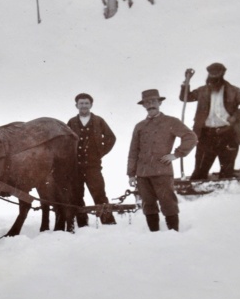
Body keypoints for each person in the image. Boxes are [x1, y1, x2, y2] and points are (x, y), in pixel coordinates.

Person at [127, 89, 198, 232]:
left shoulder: (171, 122)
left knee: (168, 203)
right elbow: (133, 151)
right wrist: (131, 174)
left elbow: (191, 137)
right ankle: (154, 234)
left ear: (159, 103)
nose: (150, 105)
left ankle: (173, 233)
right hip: (142, 173)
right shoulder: (139, 126)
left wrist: (177, 154)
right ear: (144, 106)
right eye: (147, 102)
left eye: (153, 101)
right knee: (148, 205)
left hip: (162, 171)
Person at [180, 63, 240, 181]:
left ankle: (224, 197)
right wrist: (186, 81)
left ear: (222, 74)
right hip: (206, 135)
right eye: (211, 73)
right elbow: (185, 97)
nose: (213, 76)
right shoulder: (202, 91)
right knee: (199, 172)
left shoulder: (233, 91)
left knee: (226, 173)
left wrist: (236, 117)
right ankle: (195, 196)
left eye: (216, 74)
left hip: (228, 135)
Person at [66, 93, 117, 226]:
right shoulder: (71, 122)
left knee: (99, 193)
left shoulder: (99, 121)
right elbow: (65, 142)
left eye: (86, 103)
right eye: (81, 103)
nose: (84, 106)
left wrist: (99, 153)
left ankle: (108, 224)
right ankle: (83, 225)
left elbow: (111, 138)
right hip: (75, 166)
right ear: (76, 105)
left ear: (91, 105)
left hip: (93, 166)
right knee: (76, 195)